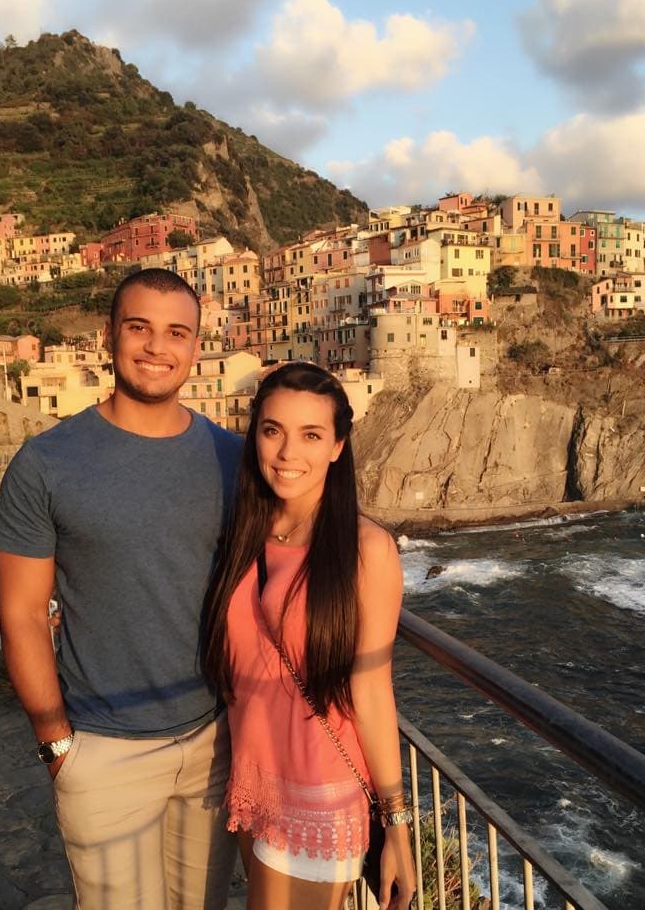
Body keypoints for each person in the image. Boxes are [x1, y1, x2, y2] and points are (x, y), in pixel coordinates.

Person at [0, 268, 242, 910]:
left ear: (195, 346)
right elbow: (19, 612)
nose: (157, 347)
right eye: (140, 328)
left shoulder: (232, 459)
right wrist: (57, 744)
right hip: (104, 748)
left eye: (176, 333)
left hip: (216, 740)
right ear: (109, 336)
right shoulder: (47, 463)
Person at [201, 362, 417, 910]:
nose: (287, 453)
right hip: (254, 778)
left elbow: (371, 690)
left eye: (311, 435)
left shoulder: (365, 551)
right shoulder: (249, 530)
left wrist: (396, 824)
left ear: (338, 447)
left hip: (316, 792)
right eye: (273, 431)